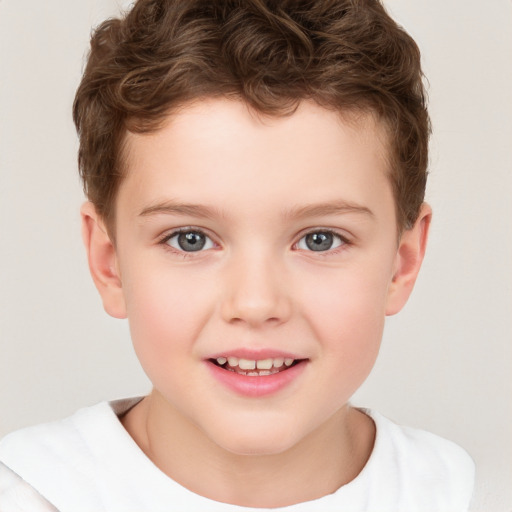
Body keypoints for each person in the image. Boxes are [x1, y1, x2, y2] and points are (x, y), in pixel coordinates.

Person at [0, 0, 475, 510]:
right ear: (109, 262)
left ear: (402, 262)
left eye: (320, 239)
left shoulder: (442, 489)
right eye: (190, 239)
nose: (255, 303)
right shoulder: (31, 494)